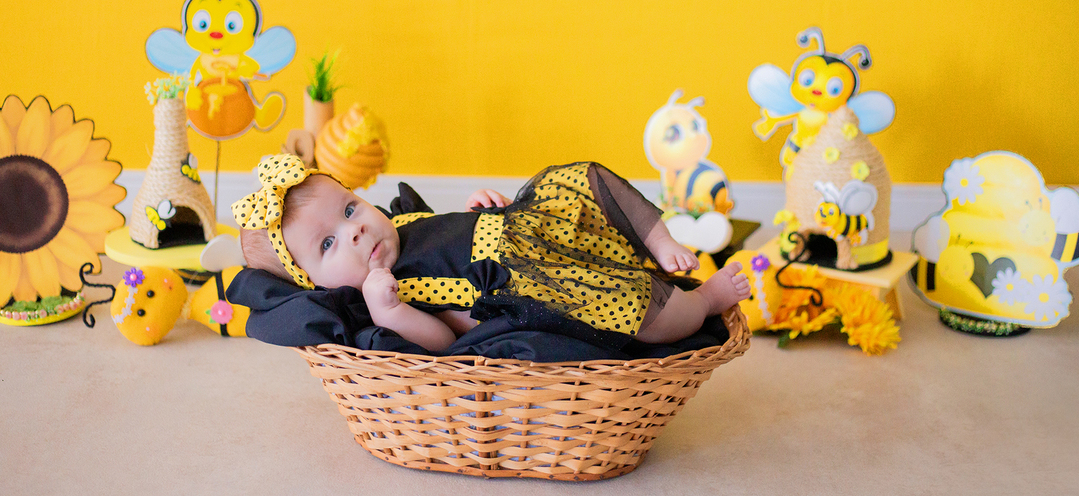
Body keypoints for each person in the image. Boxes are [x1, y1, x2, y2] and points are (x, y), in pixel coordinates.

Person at [232, 154, 749, 353]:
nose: (354, 232)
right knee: (633, 309)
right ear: (314, 284)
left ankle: (660, 241)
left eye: (349, 210)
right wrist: (390, 312)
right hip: (538, 284)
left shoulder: (402, 222)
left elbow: (449, 232)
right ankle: (703, 301)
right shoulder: (384, 294)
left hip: (528, 229)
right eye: (327, 245)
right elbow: (444, 340)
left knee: (584, 179)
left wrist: (480, 209)